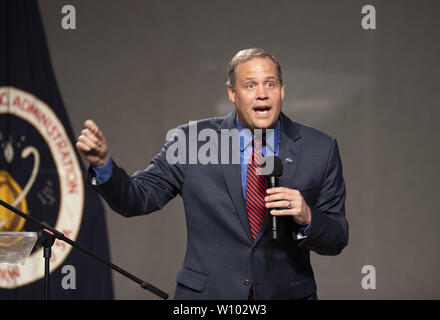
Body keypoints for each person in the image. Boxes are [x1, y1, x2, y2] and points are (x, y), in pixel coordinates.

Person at [76, 48, 348, 300]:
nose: (262, 94)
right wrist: (103, 165)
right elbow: (136, 199)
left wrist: (308, 216)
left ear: (282, 90)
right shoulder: (192, 141)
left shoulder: (319, 148)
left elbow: (337, 237)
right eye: (250, 85)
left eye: (270, 84)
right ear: (232, 93)